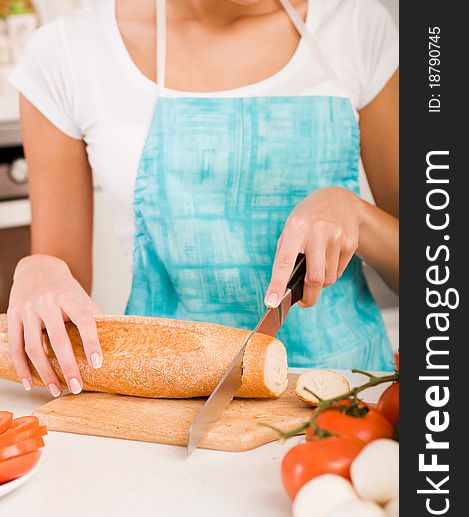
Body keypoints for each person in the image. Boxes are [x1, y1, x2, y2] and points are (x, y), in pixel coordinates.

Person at [7, 0, 399, 397]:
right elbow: (63, 293)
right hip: (165, 398)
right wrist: (39, 268)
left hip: (352, 399)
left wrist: (357, 215)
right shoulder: (66, 52)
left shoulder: (355, 24)